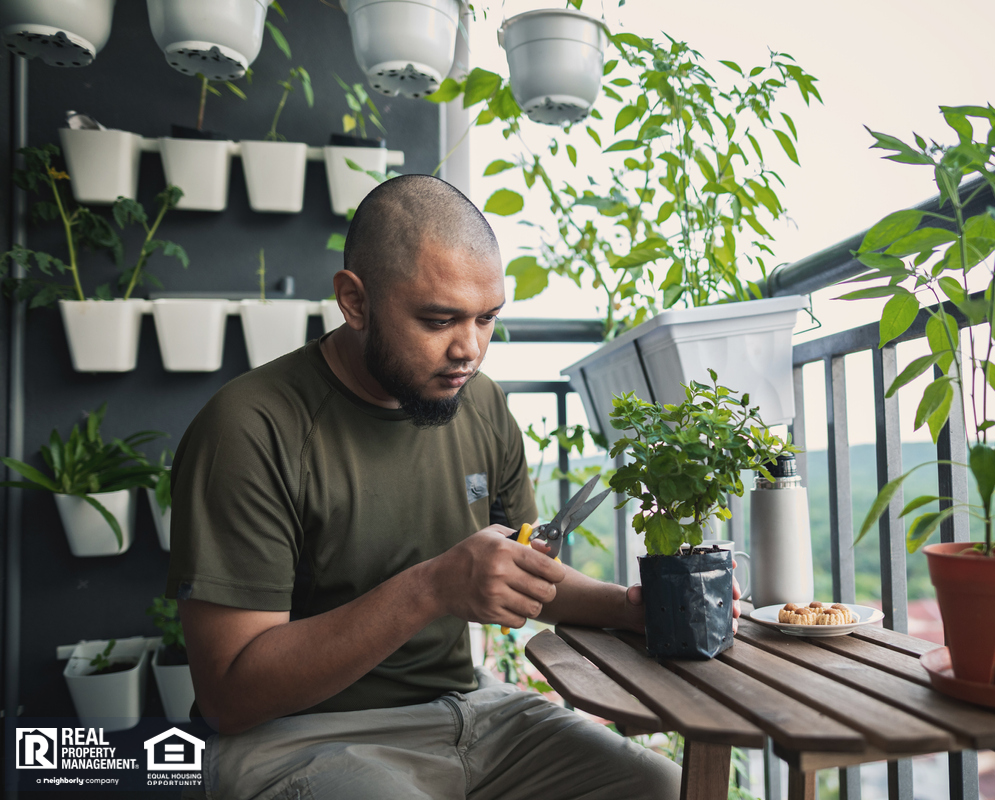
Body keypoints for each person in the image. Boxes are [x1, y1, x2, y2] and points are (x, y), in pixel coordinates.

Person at [168, 174, 738, 799]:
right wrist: (432, 588)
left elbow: (527, 568)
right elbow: (229, 697)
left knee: (657, 787)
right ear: (354, 302)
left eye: (487, 319)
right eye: (438, 320)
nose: (469, 350)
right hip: (298, 737)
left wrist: (630, 609)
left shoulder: (480, 404)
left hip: (469, 715)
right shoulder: (250, 428)